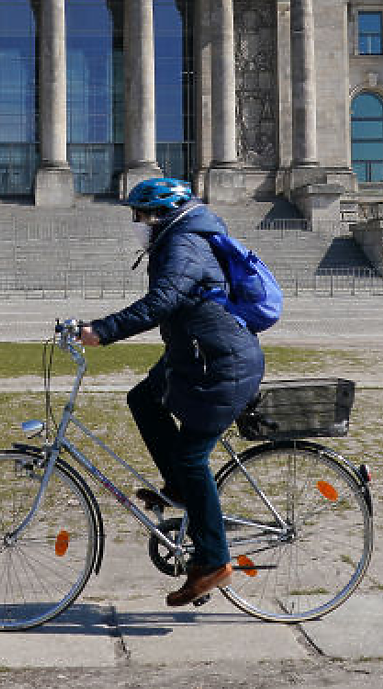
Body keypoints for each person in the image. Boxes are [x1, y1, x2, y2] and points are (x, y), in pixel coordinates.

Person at [76, 178, 265, 607]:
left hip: (222, 364)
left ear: (158, 213)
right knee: (142, 398)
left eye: (138, 215)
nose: (135, 223)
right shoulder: (177, 239)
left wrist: (103, 331)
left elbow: (162, 301)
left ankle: (215, 561)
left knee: (191, 456)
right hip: (196, 355)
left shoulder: (183, 245)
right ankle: (180, 489)